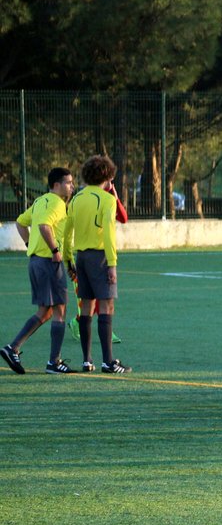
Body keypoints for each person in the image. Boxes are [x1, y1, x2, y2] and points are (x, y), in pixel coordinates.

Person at [1, 168, 77, 375]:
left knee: (46, 311)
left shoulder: (39, 201)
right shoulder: (56, 203)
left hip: (36, 261)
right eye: (68, 182)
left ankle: (12, 348)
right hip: (48, 261)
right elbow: (44, 226)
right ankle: (54, 362)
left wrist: (29, 244)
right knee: (60, 310)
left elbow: (20, 222)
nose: (72, 186)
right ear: (56, 185)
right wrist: (54, 251)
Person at [62, 155, 130, 374]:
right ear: (108, 177)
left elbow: (67, 233)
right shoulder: (107, 200)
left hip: (80, 258)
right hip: (100, 258)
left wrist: (68, 259)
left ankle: (86, 360)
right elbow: (109, 234)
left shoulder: (76, 199)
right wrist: (112, 264)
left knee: (86, 307)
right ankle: (108, 362)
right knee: (106, 306)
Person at [69, 179, 127, 345]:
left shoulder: (108, 199)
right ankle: (80, 323)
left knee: (100, 299)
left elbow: (123, 218)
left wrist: (116, 197)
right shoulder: (84, 198)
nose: (111, 182)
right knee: (94, 299)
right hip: (89, 254)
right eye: (109, 179)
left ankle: (93, 327)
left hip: (98, 254)